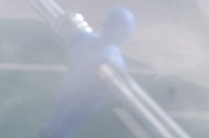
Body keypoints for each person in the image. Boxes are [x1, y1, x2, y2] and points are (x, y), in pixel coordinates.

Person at [39, 8, 137, 138]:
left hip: (77, 95)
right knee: (58, 126)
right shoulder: (110, 57)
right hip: (78, 95)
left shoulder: (90, 43)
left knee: (59, 127)